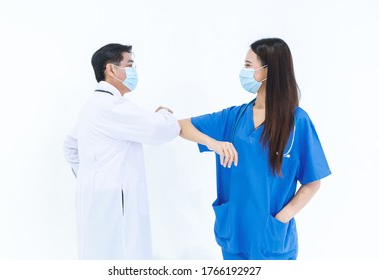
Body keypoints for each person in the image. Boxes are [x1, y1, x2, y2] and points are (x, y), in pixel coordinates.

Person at [178, 38, 331, 260]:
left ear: (269, 70)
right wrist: (213, 143)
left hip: (272, 241)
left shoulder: (297, 122)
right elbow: (181, 127)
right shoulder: (234, 117)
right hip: (234, 237)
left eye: (249, 65)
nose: (243, 71)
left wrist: (280, 220)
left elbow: (312, 183)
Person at [62, 43, 180, 260]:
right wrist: (164, 113)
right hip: (115, 203)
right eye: (130, 65)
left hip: (98, 198)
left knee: (98, 254)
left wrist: (91, 176)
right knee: (123, 256)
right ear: (112, 69)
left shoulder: (92, 105)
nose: (133, 72)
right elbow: (161, 130)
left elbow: (70, 146)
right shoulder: (112, 106)